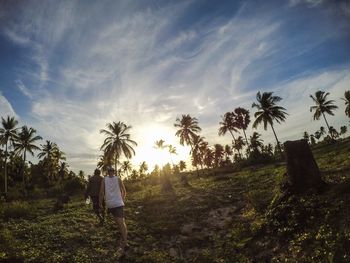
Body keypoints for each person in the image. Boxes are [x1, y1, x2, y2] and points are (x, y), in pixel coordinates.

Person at [99, 166, 128, 253]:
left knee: (120, 222)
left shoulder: (106, 179)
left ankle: (125, 243)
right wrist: (122, 199)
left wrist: (100, 203)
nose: (111, 172)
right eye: (111, 171)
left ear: (109, 172)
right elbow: (124, 191)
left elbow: (101, 192)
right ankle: (123, 238)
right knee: (119, 222)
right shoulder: (116, 179)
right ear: (112, 171)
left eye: (111, 171)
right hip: (114, 204)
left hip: (113, 204)